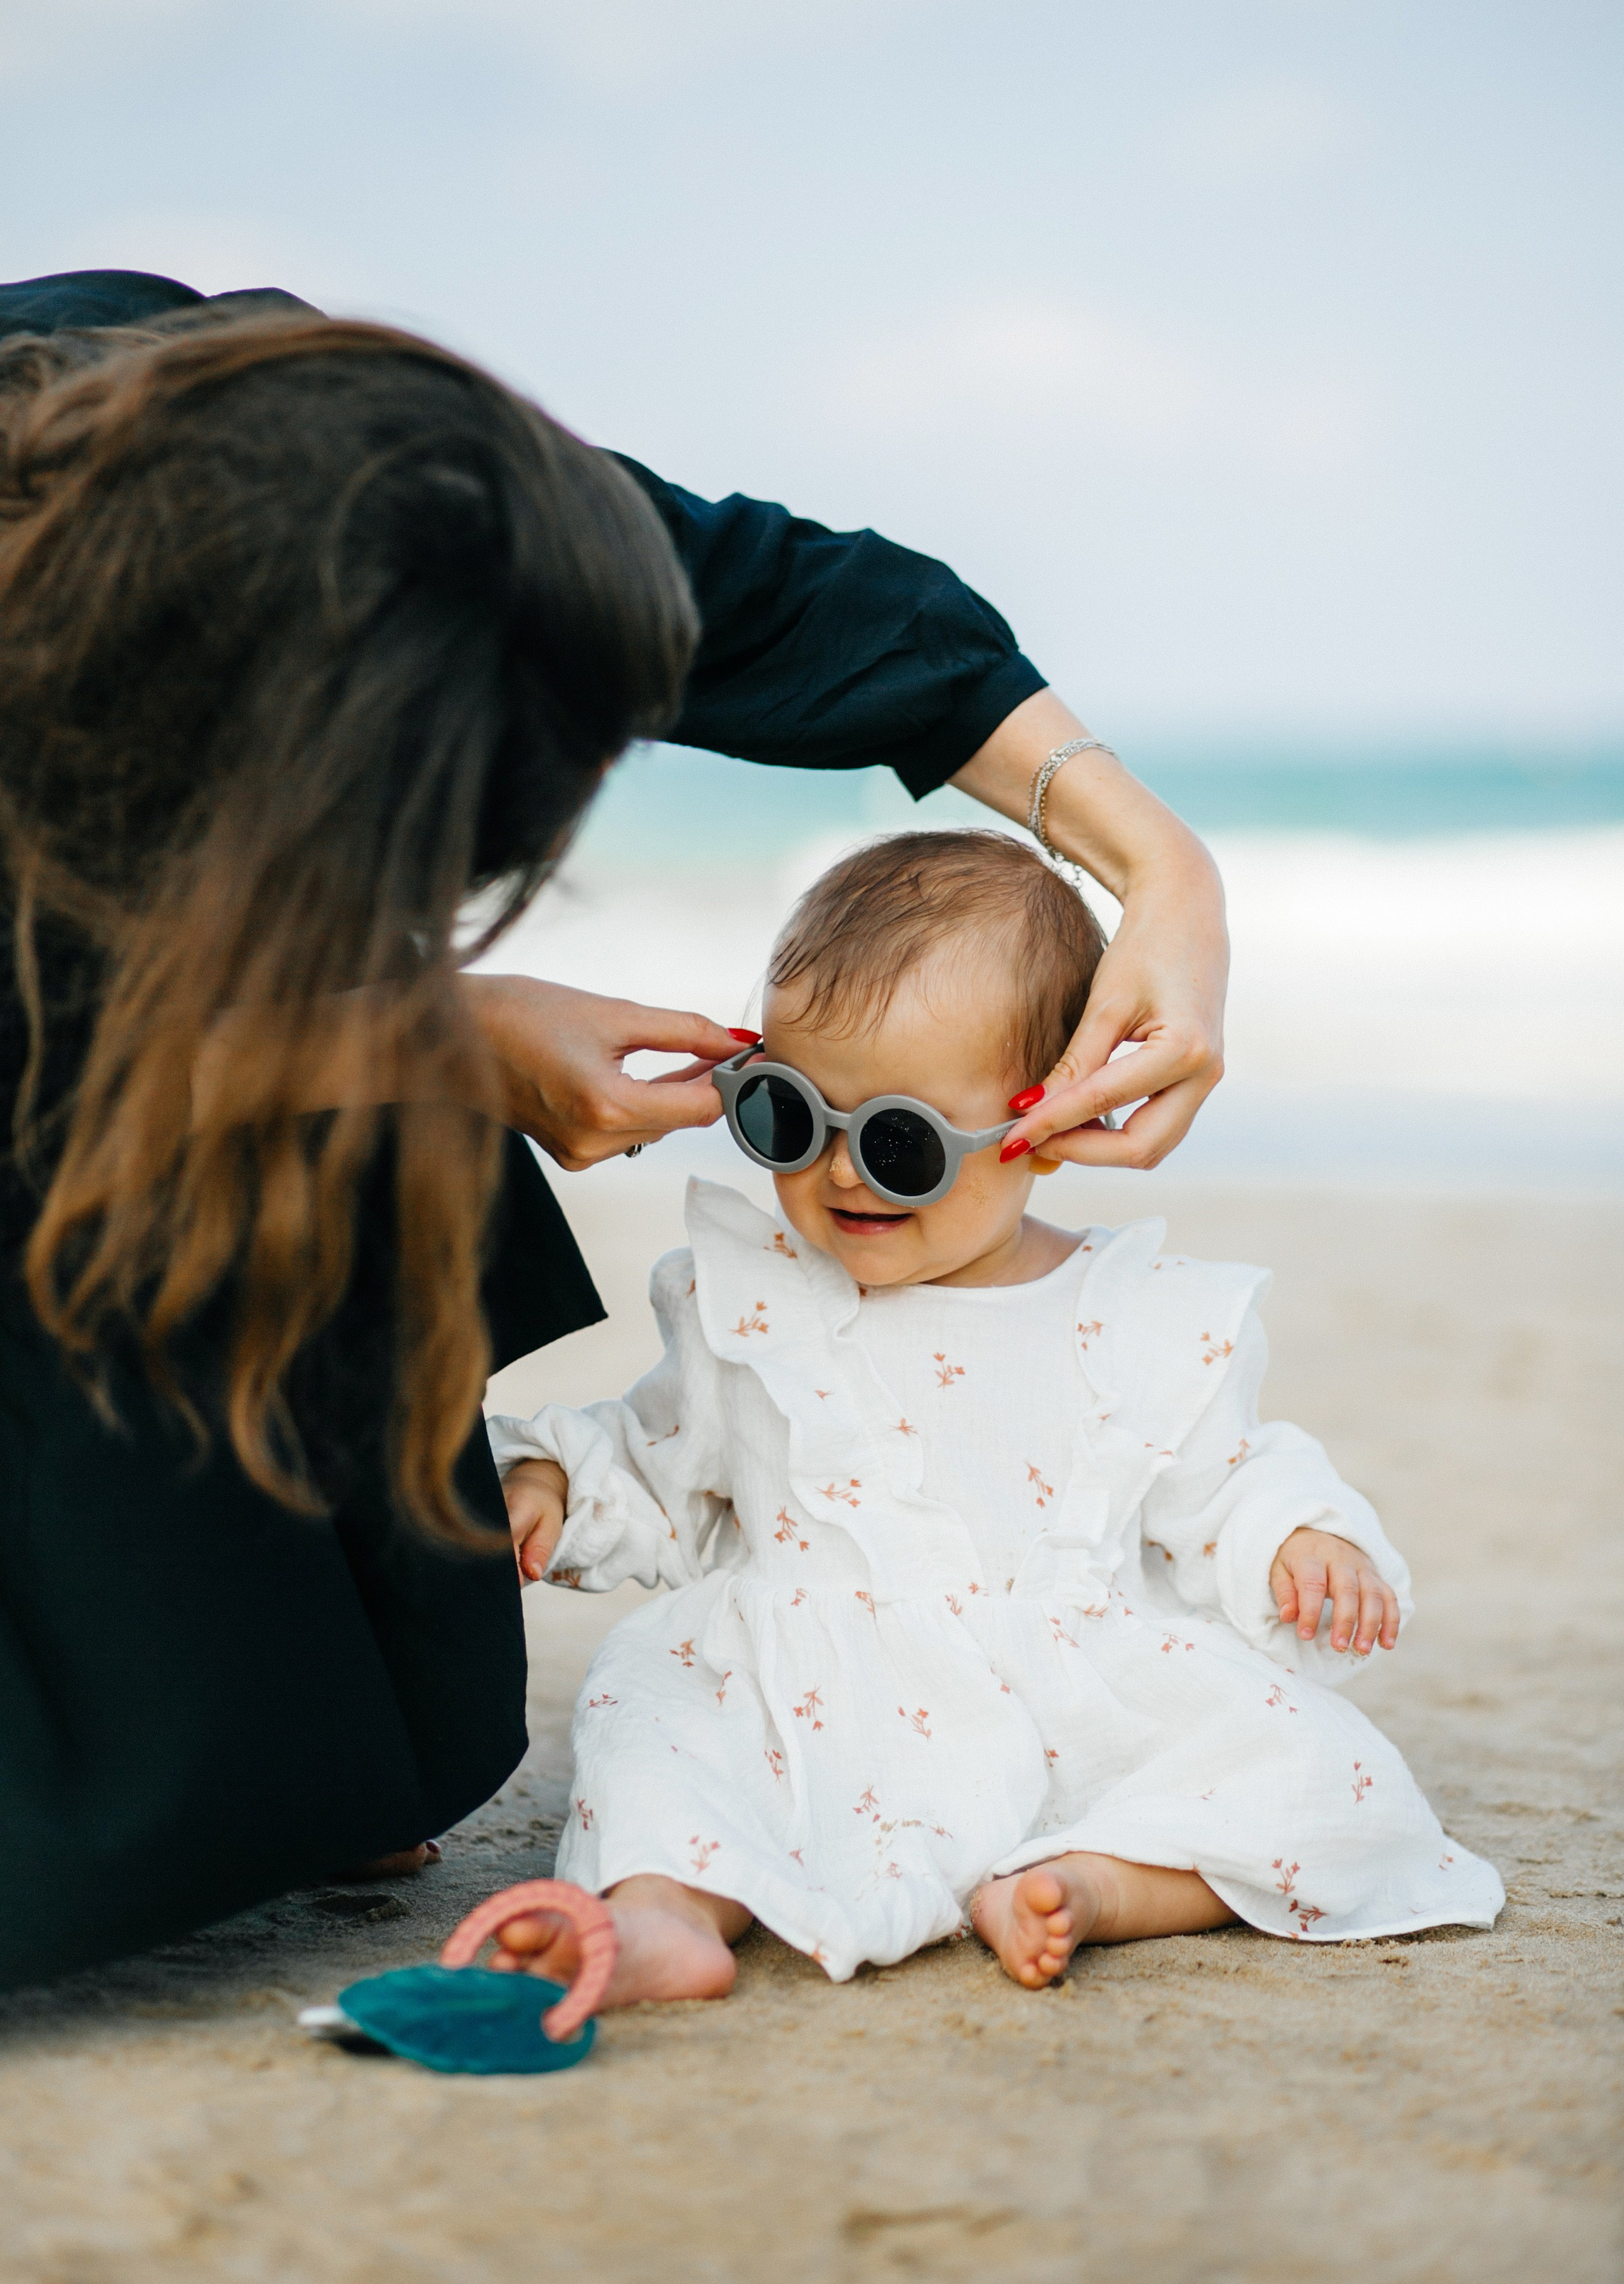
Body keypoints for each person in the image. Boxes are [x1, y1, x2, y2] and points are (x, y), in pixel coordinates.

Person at [0, 272, 1223, 1990]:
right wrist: (439, 1033)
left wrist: (1162, 868)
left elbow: (811, 608)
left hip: (141, 1075)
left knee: (391, 1736)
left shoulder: (369, 479)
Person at [488, 830, 1503, 2001]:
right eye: (786, 1118)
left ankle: (1098, 1883)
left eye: (903, 1143)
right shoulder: (756, 1304)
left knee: (1331, 1784)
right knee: (655, 1721)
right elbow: (665, 1465)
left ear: (1054, 1122)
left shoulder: (1134, 1322)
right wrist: (562, 1483)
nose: (839, 1175)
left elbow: (1223, 1481)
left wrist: (1298, 1537)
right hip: (800, 1697)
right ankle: (663, 1910)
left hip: (1067, 1704)